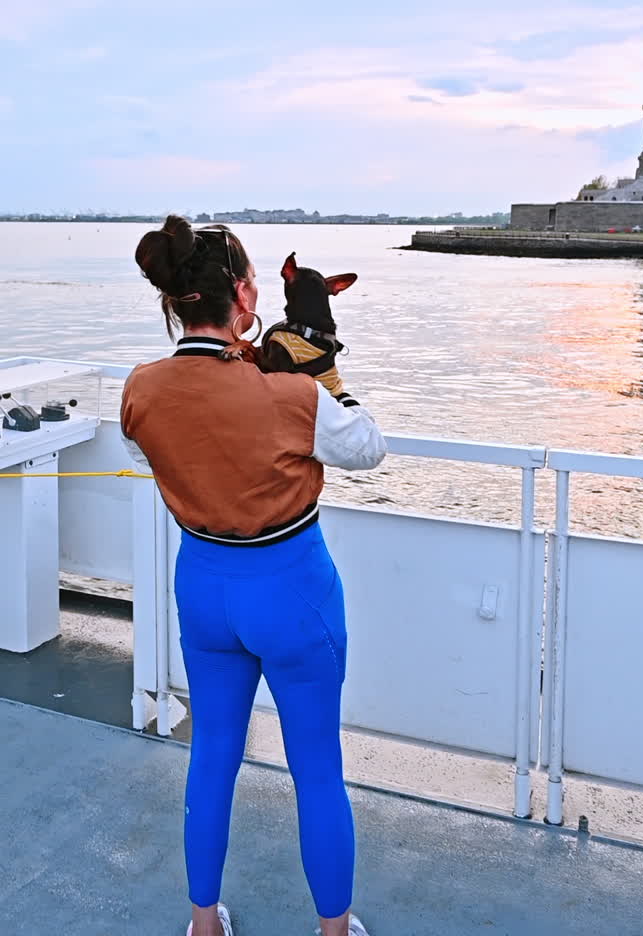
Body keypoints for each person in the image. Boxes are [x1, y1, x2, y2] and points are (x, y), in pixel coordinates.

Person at [120, 215, 386, 936]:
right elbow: (368, 448)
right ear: (242, 294)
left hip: (204, 584)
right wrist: (323, 372)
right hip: (292, 589)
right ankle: (334, 930)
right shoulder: (291, 398)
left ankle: (203, 923)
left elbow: (174, 441)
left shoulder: (141, 388)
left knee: (211, 756)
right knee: (317, 771)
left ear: (176, 303)